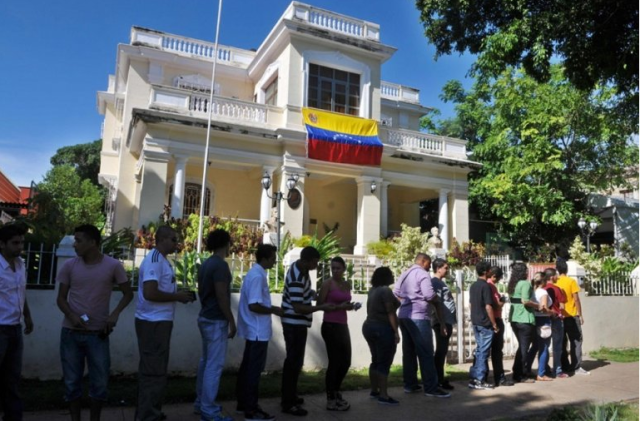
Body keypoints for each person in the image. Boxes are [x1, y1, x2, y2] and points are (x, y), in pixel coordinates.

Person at [56, 224, 134, 421]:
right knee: (72, 382)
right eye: (75, 240)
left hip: (98, 335)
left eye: (79, 240)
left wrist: (114, 314)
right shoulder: (70, 266)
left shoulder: (112, 265)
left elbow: (128, 294)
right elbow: (61, 299)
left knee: (99, 383)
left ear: (93, 243)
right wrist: (72, 316)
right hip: (71, 334)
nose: (75, 245)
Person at [135, 226, 196, 421]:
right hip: (152, 323)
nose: (176, 243)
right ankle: (147, 416)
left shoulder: (162, 260)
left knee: (157, 370)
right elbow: (150, 293)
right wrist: (177, 297)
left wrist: (177, 295)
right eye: (172, 239)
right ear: (161, 239)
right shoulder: (154, 261)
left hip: (159, 322)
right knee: (152, 372)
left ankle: (152, 412)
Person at [280, 246, 334, 417]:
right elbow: (297, 307)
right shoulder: (297, 275)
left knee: (296, 362)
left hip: (298, 324)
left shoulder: (301, 271)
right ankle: (288, 403)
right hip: (293, 323)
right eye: (315, 262)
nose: (316, 266)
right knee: (293, 363)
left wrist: (313, 294)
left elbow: (303, 293)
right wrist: (321, 306)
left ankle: (291, 396)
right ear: (307, 260)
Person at [235, 244, 281, 421]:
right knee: (253, 371)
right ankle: (251, 410)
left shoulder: (256, 274)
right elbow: (254, 305)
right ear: (265, 258)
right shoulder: (257, 276)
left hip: (254, 330)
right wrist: (274, 310)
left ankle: (243, 404)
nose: (274, 261)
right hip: (256, 331)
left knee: (248, 368)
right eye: (273, 258)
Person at [193, 229, 236, 421]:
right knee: (214, 366)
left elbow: (202, 292)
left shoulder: (206, 264)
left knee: (206, 363)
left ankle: (200, 403)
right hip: (215, 321)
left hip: (205, 317)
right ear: (226, 244)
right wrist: (231, 321)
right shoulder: (220, 266)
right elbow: (221, 295)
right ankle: (209, 411)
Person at [394, 253, 450, 398]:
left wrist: (408, 300)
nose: (430, 267)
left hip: (404, 317)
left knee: (409, 352)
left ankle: (410, 384)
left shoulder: (405, 274)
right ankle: (431, 387)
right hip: (419, 317)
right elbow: (429, 295)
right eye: (429, 263)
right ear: (423, 261)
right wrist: (435, 302)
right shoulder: (422, 274)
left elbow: (396, 294)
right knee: (426, 352)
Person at [0, 224, 33, 421]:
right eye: (15, 243)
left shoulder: (20, 264)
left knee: (12, 378)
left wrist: (27, 316)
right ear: (2, 244)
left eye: (21, 242)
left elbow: (20, 292)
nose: (19, 246)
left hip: (15, 328)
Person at [317, 257, 355, 411]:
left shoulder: (346, 284)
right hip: (330, 325)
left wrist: (350, 306)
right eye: (333, 268)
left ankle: (336, 390)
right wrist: (339, 306)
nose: (335, 271)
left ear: (344, 269)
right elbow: (320, 305)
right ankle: (331, 398)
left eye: (338, 268)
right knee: (334, 362)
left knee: (346, 361)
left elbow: (345, 304)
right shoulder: (327, 284)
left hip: (342, 325)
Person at [362, 267, 400, 406]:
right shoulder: (385, 290)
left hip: (368, 326)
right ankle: (384, 395)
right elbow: (390, 312)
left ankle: (374, 391)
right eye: (390, 274)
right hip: (382, 328)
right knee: (384, 362)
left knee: (376, 360)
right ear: (386, 277)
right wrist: (396, 331)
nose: (392, 276)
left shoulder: (372, 290)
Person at [468, 260, 498, 390]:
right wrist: (494, 323)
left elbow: (471, 304)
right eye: (490, 269)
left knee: (480, 350)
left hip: (476, 321)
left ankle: (475, 377)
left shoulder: (473, 285)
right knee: (483, 352)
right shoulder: (485, 286)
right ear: (486, 272)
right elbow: (488, 306)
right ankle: (479, 379)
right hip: (485, 323)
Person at [555, 258, 589, 375]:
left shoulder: (555, 282)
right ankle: (576, 366)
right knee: (576, 341)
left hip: (559, 316)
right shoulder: (571, 281)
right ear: (567, 269)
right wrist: (580, 314)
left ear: (557, 270)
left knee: (562, 342)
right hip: (572, 315)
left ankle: (564, 365)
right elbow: (576, 299)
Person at [507, 262, 537, 383]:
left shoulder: (512, 284)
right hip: (525, 318)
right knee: (524, 348)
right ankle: (519, 374)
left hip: (514, 318)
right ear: (523, 272)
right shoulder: (525, 283)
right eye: (526, 270)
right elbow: (525, 301)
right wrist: (538, 305)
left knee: (522, 347)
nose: (527, 272)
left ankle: (518, 369)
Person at [430, 258, 456, 390]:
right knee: (441, 351)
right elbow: (436, 304)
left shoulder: (440, 282)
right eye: (445, 268)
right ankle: (438, 379)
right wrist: (442, 324)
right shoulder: (435, 283)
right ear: (438, 268)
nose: (447, 270)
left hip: (446, 321)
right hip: (442, 322)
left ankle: (439, 377)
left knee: (442, 351)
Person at [485, 266, 513, 387]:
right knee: (496, 351)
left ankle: (487, 376)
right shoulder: (490, 286)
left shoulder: (487, 286)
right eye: (499, 278)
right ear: (494, 276)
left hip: (492, 320)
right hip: (494, 319)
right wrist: (502, 301)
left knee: (489, 351)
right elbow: (495, 305)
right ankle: (499, 377)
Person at [542, 268, 569, 379]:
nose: (557, 277)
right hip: (556, 318)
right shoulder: (557, 289)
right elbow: (562, 306)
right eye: (556, 276)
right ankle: (557, 370)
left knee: (544, 346)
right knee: (557, 346)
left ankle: (544, 369)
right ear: (552, 277)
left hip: (544, 319)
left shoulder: (542, 288)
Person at [529, 272, 554, 381]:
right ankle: (541, 373)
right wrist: (551, 312)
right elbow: (543, 307)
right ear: (543, 281)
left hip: (534, 319)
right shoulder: (543, 292)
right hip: (543, 320)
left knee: (534, 346)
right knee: (544, 348)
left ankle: (526, 367)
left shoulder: (532, 291)